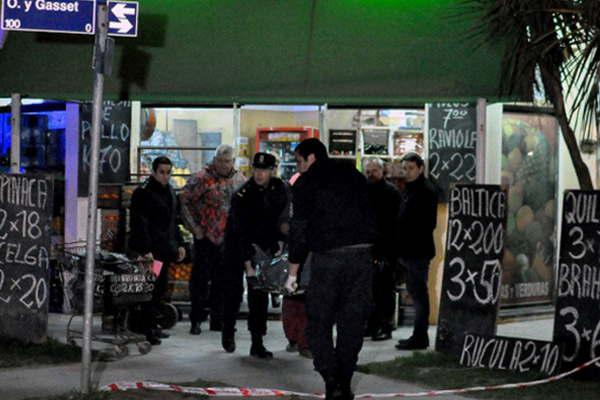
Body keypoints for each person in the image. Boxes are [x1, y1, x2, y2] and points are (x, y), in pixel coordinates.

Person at [285, 138, 375, 400]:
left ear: (311, 158)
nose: (298, 167)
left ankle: (331, 378)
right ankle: (344, 380)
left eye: (300, 161)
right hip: (361, 256)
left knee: (318, 322)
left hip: (328, 258)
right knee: (352, 323)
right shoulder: (353, 174)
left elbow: (299, 230)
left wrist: (293, 273)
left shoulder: (305, 183)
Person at [221, 152, 290, 358]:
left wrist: (280, 241)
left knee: (259, 297)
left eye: (264, 170)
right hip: (239, 246)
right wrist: (248, 264)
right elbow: (239, 230)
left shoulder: (280, 188)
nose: (259, 174)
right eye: (257, 170)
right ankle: (228, 332)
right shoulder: (243, 194)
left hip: (264, 246)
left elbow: (281, 217)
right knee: (233, 293)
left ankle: (257, 342)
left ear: (272, 171)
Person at [180, 145, 246, 335]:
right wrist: (195, 228)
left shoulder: (240, 180)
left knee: (223, 281)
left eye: (227, 161)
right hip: (206, 237)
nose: (224, 165)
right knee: (200, 280)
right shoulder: (201, 178)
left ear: (233, 162)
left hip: (229, 240)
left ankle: (217, 319)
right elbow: (183, 201)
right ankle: (196, 319)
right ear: (214, 160)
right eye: (220, 161)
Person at [129, 156, 186, 345]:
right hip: (151, 250)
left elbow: (172, 222)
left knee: (159, 288)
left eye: (168, 172)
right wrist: (145, 249)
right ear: (154, 171)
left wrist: (179, 244)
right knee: (150, 288)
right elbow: (139, 223)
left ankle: (153, 325)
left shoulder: (168, 191)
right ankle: (147, 327)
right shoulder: (144, 193)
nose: (165, 176)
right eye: (161, 172)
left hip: (164, 249)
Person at [393, 152, 437, 350]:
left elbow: (428, 223)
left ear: (420, 168)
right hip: (409, 251)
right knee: (416, 293)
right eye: (405, 168)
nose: (407, 172)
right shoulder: (410, 189)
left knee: (419, 295)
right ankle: (418, 335)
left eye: (411, 168)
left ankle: (420, 337)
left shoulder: (425, 191)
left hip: (417, 251)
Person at [365, 158, 400, 341]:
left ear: (381, 170)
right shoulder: (364, 190)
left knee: (384, 290)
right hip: (368, 247)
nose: (370, 174)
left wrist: (388, 251)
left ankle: (385, 326)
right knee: (370, 290)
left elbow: (393, 225)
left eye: (373, 171)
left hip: (385, 248)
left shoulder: (391, 193)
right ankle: (371, 325)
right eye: (368, 171)